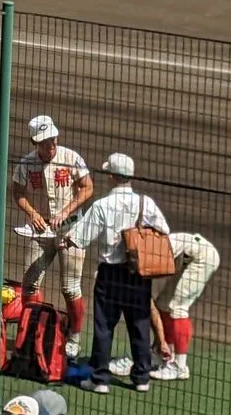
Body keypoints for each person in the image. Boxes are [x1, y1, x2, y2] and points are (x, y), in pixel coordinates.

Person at [63, 152, 170, 394]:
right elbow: (163, 230)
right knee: (139, 323)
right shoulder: (145, 203)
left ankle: (100, 379)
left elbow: (80, 237)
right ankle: (141, 377)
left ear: (111, 176)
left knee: (104, 326)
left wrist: (65, 241)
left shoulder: (102, 205)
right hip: (138, 272)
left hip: (109, 274)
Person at [12, 115, 92, 357]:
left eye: (53, 139)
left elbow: (88, 187)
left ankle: (74, 338)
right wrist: (33, 213)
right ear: (35, 142)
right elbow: (17, 193)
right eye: (44, 142)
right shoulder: (26, 164)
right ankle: (34, 330)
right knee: (29, 284)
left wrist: (67, 210)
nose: (50, 145)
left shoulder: (71, 157)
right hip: (41, 230)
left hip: (71, 229)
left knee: (70, 288)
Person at [152, 230, 220, 379]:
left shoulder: (153, 249)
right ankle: (165, 356)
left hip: (203, 258)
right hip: (189, 259)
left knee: (178, 307)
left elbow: (152, 274)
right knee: (163, 304)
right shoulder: (150, 247)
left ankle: (179, 366)